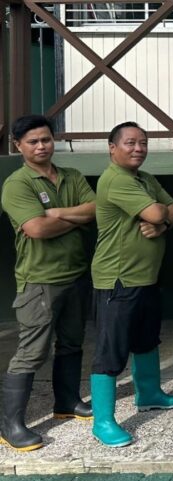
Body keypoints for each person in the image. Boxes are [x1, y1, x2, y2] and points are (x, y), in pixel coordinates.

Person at [0, 115, 95, 451]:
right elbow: (36, 230)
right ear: (18, 146)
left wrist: (55, 213)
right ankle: (11, 425)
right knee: (31, 352)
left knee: (72, 342)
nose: (41, 146)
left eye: (46, 139)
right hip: (39, 281)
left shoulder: (71, 176)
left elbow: (95, 209)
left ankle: (67, 402)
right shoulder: (17, 184)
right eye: (32, 142)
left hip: (76, 274)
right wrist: (72, 215)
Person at [89, 122, 173, 447]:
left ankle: (149, 394)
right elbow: (157, 210)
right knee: (110, 350)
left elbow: (172, 209)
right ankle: (103, 421)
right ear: (112, 148)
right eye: (130, 143)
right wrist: (161, 216)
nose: (138, 148)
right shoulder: (116, 179)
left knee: (146, 339)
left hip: (146, 277)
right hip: (118, 279)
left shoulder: (143, 178)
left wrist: (163, 223)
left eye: (143, 143)